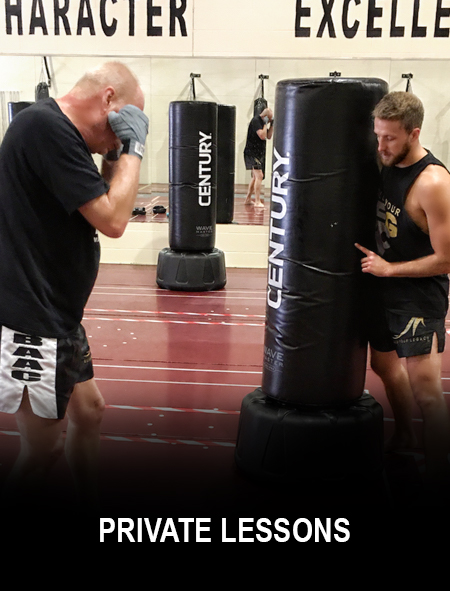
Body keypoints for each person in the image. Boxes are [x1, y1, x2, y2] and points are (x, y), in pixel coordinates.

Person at [0, 61, 148, 507]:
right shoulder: (44, 128)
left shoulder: (63, 136)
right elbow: (114, 220)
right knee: (42, 452)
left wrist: (114, 153)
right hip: (31, 318)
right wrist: (134, 149)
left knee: (90, 411)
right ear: (108, 99)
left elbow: (99, 198)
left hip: (60, 315)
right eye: (124, 121)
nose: (119, 138)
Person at [355, 91, 450, 489]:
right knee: (383, 365)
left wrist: (390, 269)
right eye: (378, 136)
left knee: (427, 391)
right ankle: (408, 434)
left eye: (390, 138)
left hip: (417, 296)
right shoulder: (387, 161)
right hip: (383, 286)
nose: (381, 146)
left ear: (414, 133)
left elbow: (447, 259)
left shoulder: (434, 184)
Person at [243, 107, 274, 208]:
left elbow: (268, 136)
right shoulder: (256, 120)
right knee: (259, 175)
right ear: (265, 117)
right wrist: (265, 124)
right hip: (252, 153)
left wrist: (272, 125)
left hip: (257, 153)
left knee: (255, 177)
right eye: (269, 119)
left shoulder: (263, 123)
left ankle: (248, 199)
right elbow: (262, 135)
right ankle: (257, 201)